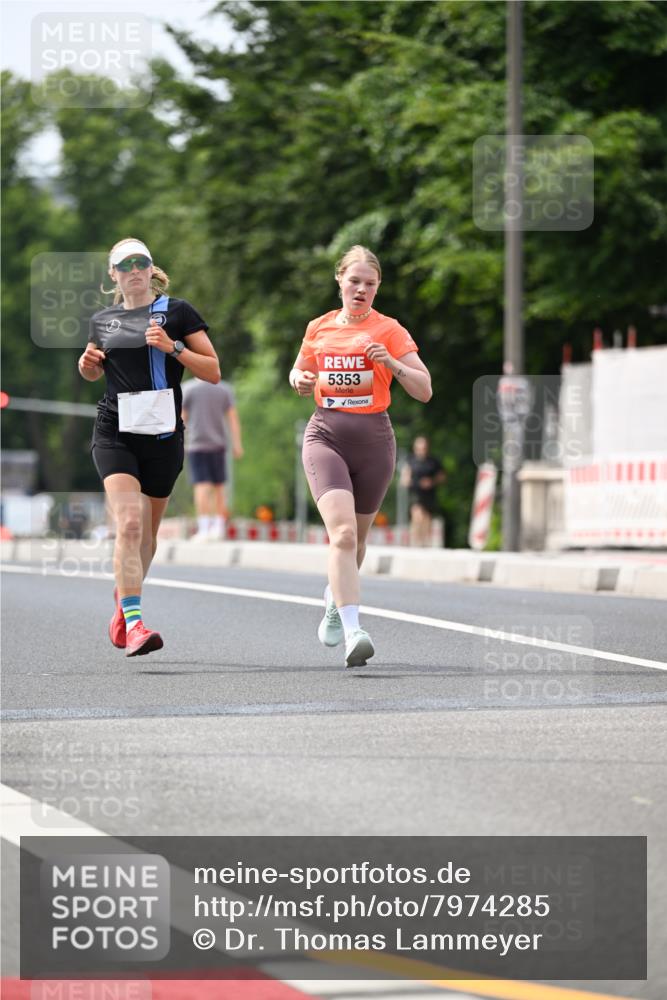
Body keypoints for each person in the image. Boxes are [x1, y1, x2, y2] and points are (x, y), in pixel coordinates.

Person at [289, 245, 433, 668]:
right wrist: (299, 378)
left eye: (370, 284)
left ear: (377, 288)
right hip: (325, 435)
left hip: (374, 441)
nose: (361, 290)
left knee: (360, 539)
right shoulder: (318, 327)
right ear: (340, 280)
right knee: (344, 535)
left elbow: (424, 389)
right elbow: (299, 371)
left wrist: (391, 362)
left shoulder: (389, 329)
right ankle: (355, 630)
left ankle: (336, 600)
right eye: (354, 281)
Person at [77, 237, 220, 656]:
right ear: (114, 274)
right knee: (130, 525)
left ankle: (124, 604)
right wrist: (85, 366)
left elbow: (213, 371)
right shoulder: (104, 320)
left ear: (150, 269)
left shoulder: (177, 312)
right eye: (125, 264)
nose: (134, 270)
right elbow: (92, 369)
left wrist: (173, 347)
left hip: (162, 436)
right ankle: (137, 625)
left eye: (141, 262)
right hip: (115, 431)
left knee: (148, 536)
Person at [182, 377, 243, 541]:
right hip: (218, 443)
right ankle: (218, 527)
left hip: (196, 444)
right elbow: (232, 418)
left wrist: (177, 442)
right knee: (219, 486)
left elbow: (182, 418)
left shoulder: (187, 389)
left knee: (201, 486)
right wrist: (237, 444)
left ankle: (204, 527)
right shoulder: (224, 389)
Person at [400, 436, 446, 546]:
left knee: (426, 519)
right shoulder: (410, 460)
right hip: (415, 492)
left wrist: (432, 481)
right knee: (417, 515)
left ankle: (424, 541)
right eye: (419, 447)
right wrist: (407, 480)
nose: (422, 449)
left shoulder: (433, 461)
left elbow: (442, 476)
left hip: (429, 494)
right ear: (415, 448)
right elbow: (405, 476)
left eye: (424, 447)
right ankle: (415, 541)